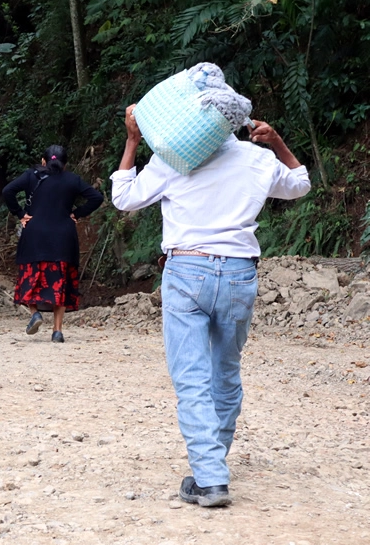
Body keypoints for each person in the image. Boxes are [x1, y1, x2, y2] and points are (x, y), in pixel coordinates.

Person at [112, 103, 310, 507]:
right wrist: (277, 143)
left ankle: (210, 477)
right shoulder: (257, 158)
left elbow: (124, 198)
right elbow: (300, 184)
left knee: (191, 378)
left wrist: (133, 141)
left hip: (187, 271)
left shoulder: (174, 158)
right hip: (240, 274)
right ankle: (212, 463)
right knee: (225, 371)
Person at [2, 145, 103, 342]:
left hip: (35, 234)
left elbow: (8, 191)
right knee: (60, 281)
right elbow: (96, 198)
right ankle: (57, 331)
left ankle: (35, 314)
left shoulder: (32, 175)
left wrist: (21, 214)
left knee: (31, 277)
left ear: (43, 161)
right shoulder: (73, 179)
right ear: (65, 164)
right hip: (63, 236)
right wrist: (76, 213)